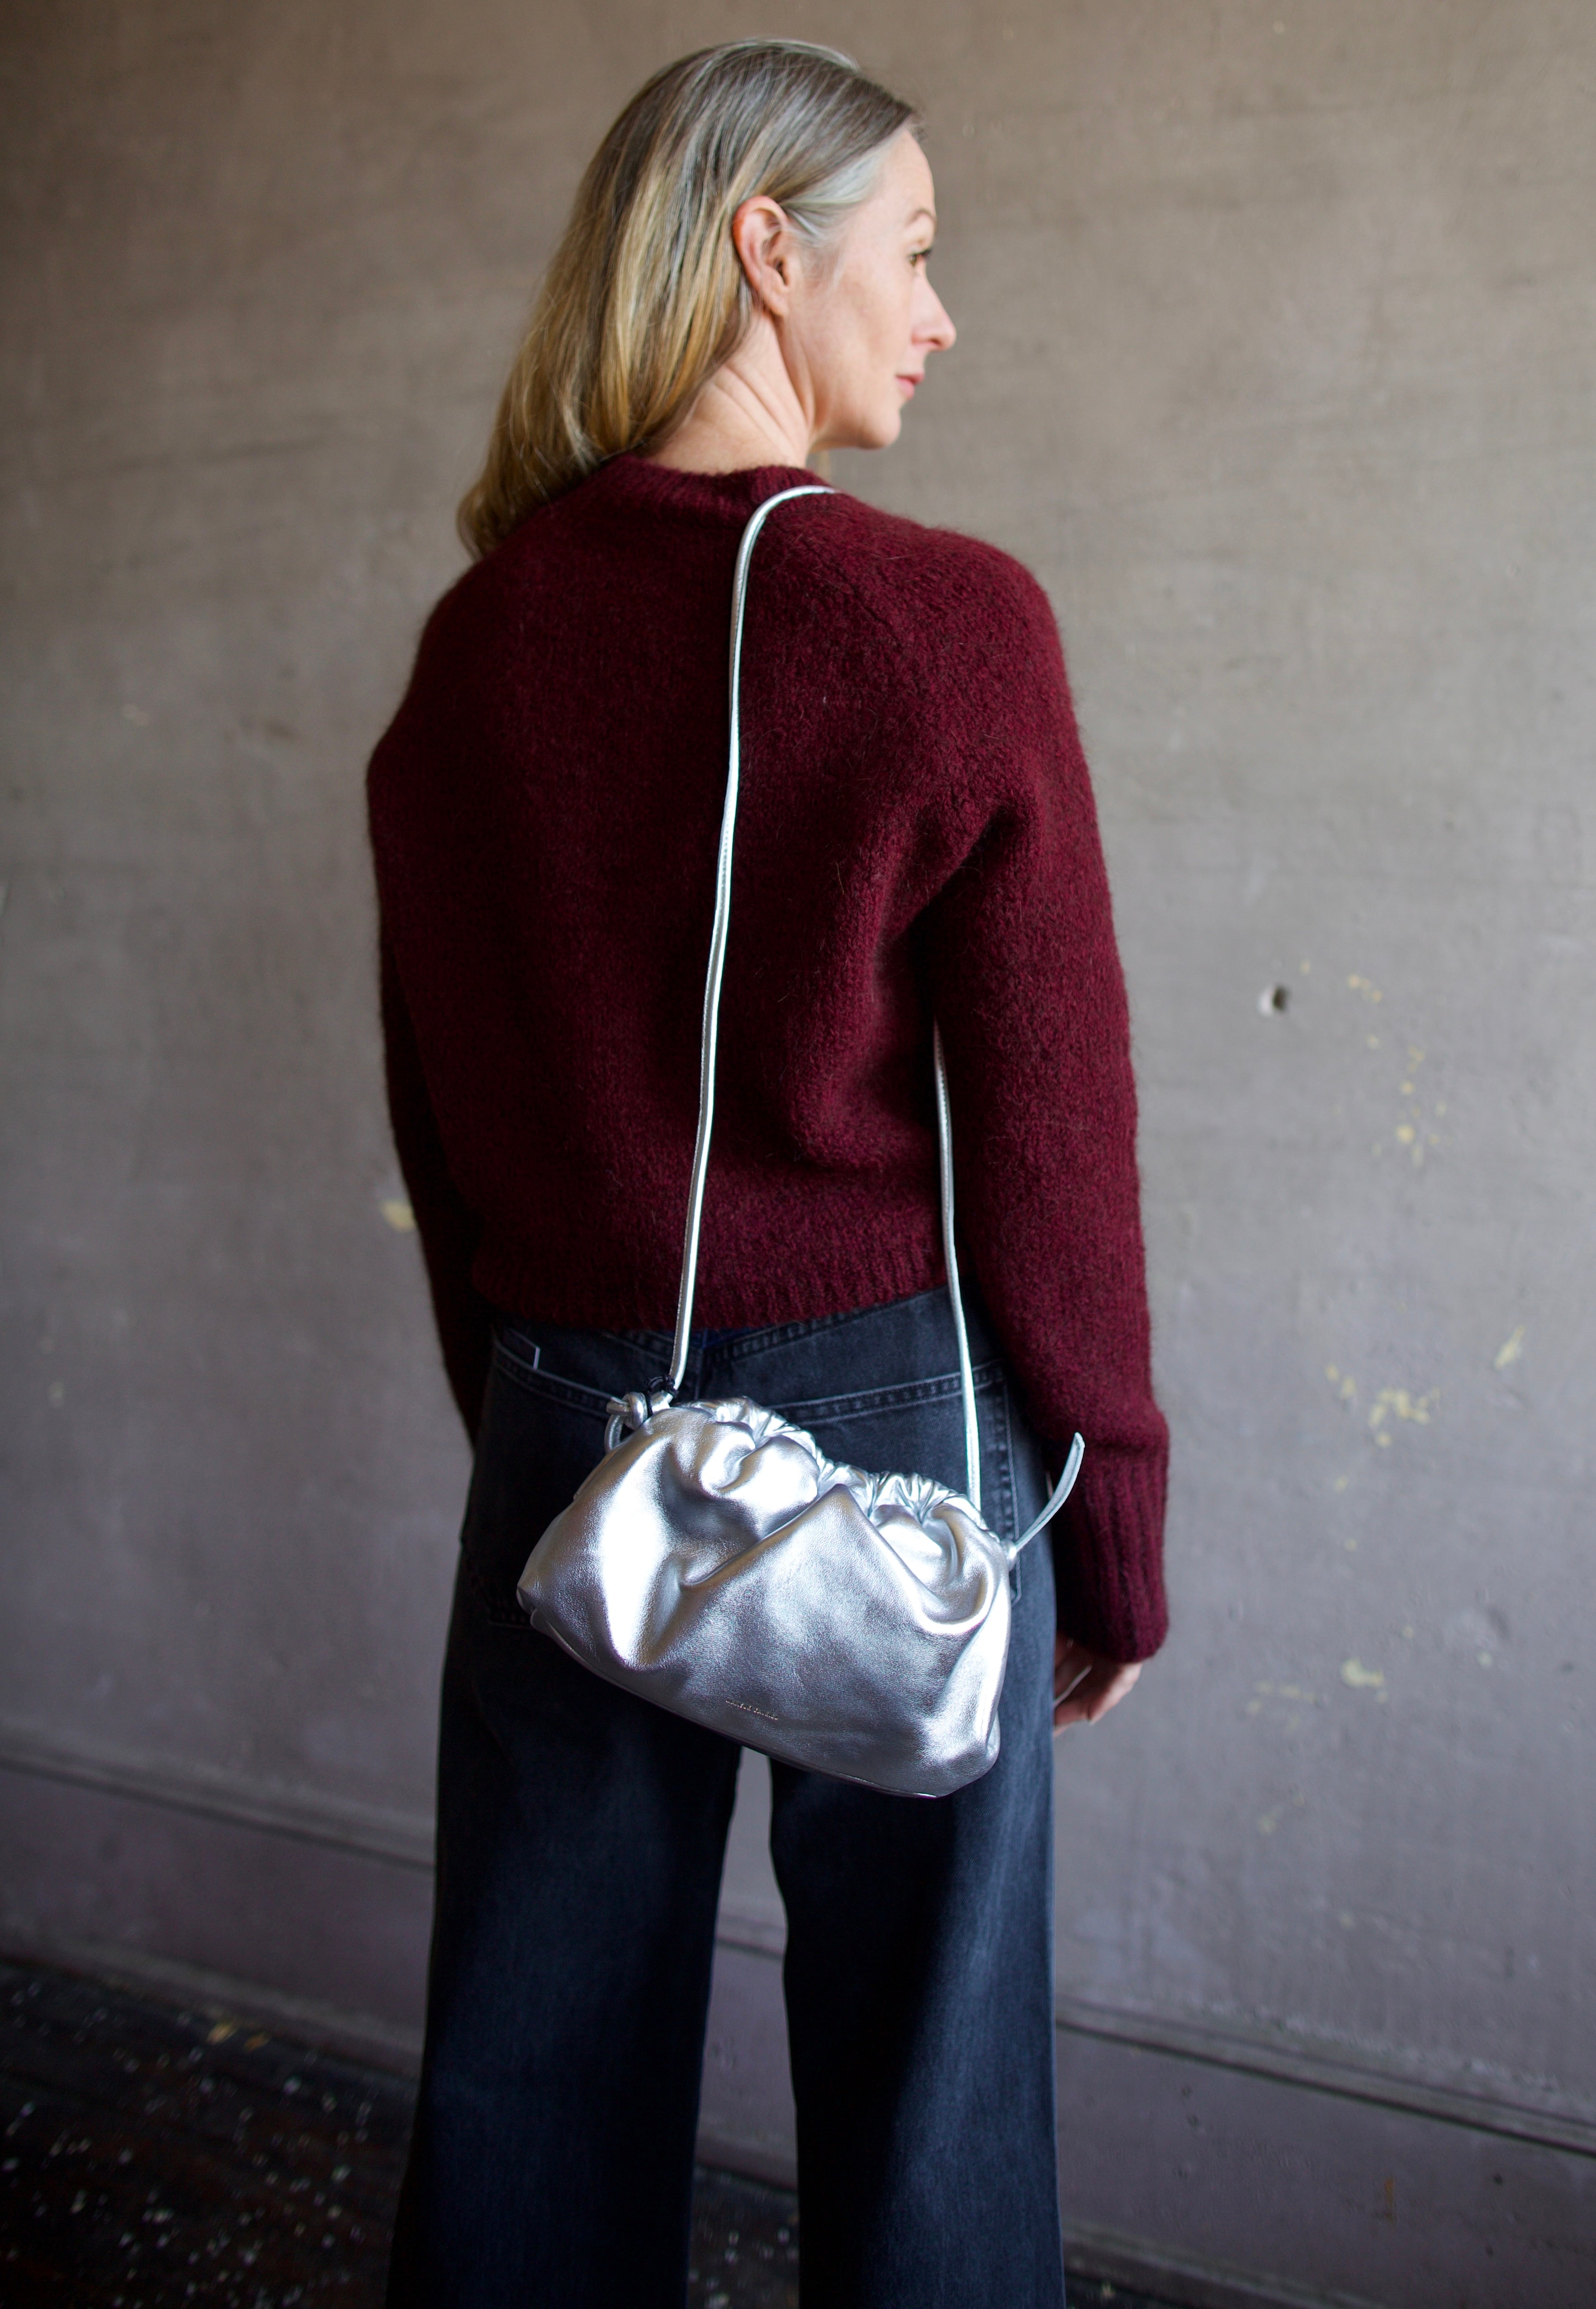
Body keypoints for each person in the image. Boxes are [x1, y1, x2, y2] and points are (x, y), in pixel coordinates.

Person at [369, 38, 1168, 2309]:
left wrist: (531, 1415)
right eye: (910, 255)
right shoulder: (939, 622)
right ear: (762, 248)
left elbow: (444, 1115)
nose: (937, 315)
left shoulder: (473, 647)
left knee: (529, 2062)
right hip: (898, 1427)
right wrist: (1105, 1498)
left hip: (569, 1418)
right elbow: (1050, 1127)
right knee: (926, 2078)